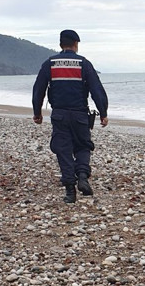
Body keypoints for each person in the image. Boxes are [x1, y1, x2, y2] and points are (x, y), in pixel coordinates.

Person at [32, 30, 109, 203]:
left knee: (63, 149)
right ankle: (82, 175)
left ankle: (70, 191)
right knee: (83, 146)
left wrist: (37, 112)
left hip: (59, 114)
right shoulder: (84, 64)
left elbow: (38, 90)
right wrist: (103, 113)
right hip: (80, 114)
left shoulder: (49, 64)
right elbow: (97, 90)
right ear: (76, 44)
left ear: (60, 44)